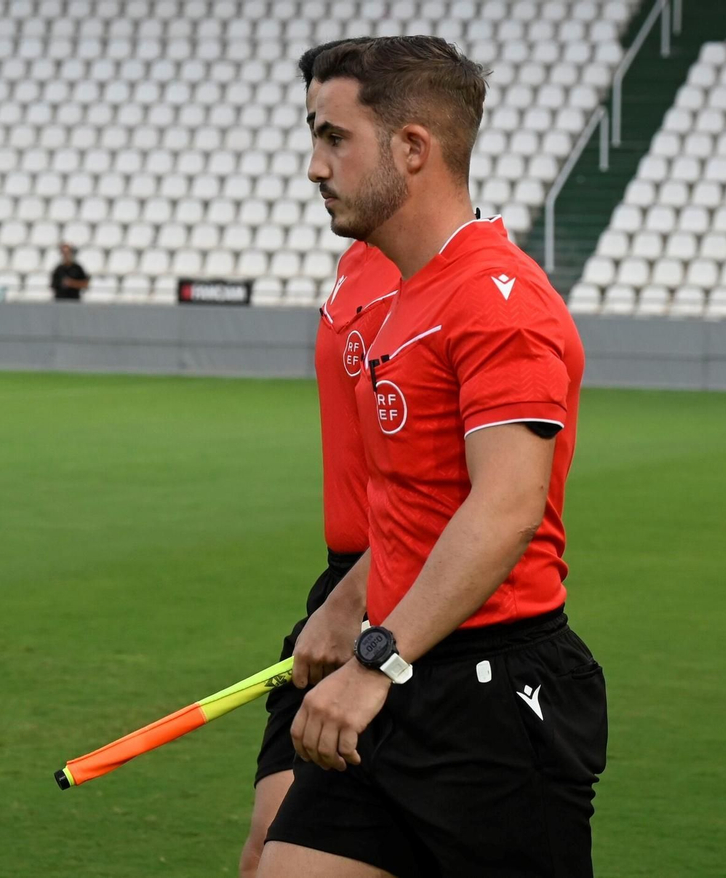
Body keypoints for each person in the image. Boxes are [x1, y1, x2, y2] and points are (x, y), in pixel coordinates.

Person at [258, 36, 606, 878]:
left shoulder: (498, 301)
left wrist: (378, 660)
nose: (314, 166)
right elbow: (415, 501)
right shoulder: (403, 296)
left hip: (489, 691)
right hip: (398, 655)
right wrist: (348, 607)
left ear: (413, 148)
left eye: (334, 138)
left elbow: (507, 507)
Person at [238, 42, 402, 867]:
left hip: (399, 594)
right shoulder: (358, 258)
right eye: (313, 135)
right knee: (266, 848)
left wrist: (357, 602)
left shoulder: (432, 285)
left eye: (334, 138)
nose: (314, 166)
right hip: (342, 585)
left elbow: (464, 494)